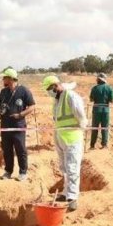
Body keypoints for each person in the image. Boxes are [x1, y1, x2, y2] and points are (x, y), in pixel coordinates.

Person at [42, 76, 87, 212]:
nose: (49, 92)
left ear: (56, 85)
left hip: (72, 137)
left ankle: (72, 198)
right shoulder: (57, 100)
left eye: (50, 88)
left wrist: (82, 126)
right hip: (61, 137)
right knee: (64, 168)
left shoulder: (70, 96)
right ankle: (66, 193)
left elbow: (81, 116)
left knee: (72, 167)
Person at [0, 67, 35, 181]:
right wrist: (0, 112)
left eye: (5, 78)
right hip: (5, 126)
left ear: (11, 79)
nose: (3, 80)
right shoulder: (3, 92)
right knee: (7, 149)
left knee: (20, 149)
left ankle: (23, 172)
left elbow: (32, 106)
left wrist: (20, 115)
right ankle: (8, 171)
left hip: (18, 126)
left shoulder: (24, 91)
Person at [89, 73, 113, 149]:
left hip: (96, 110)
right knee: (105, 128)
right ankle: (104, 145)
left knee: (94, 128)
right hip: (106, 110)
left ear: (99, 79)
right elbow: (112, 100)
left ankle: (92, 145)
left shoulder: (94, 88)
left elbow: (91, 99)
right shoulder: (109, 88)